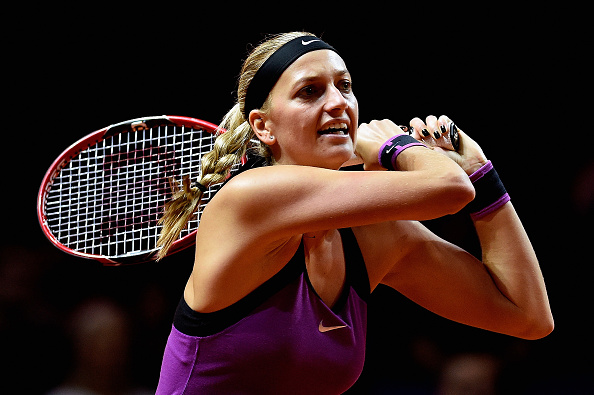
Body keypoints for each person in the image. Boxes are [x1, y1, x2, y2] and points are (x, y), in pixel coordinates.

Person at [155, 32, 553, 394]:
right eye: (310, 92)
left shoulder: (375, 237)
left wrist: (483, 176)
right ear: (264, 126)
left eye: (344, 86)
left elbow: (527, 316)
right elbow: (448, 190)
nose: (338, 103)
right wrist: (395, 145)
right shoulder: (249, 199)